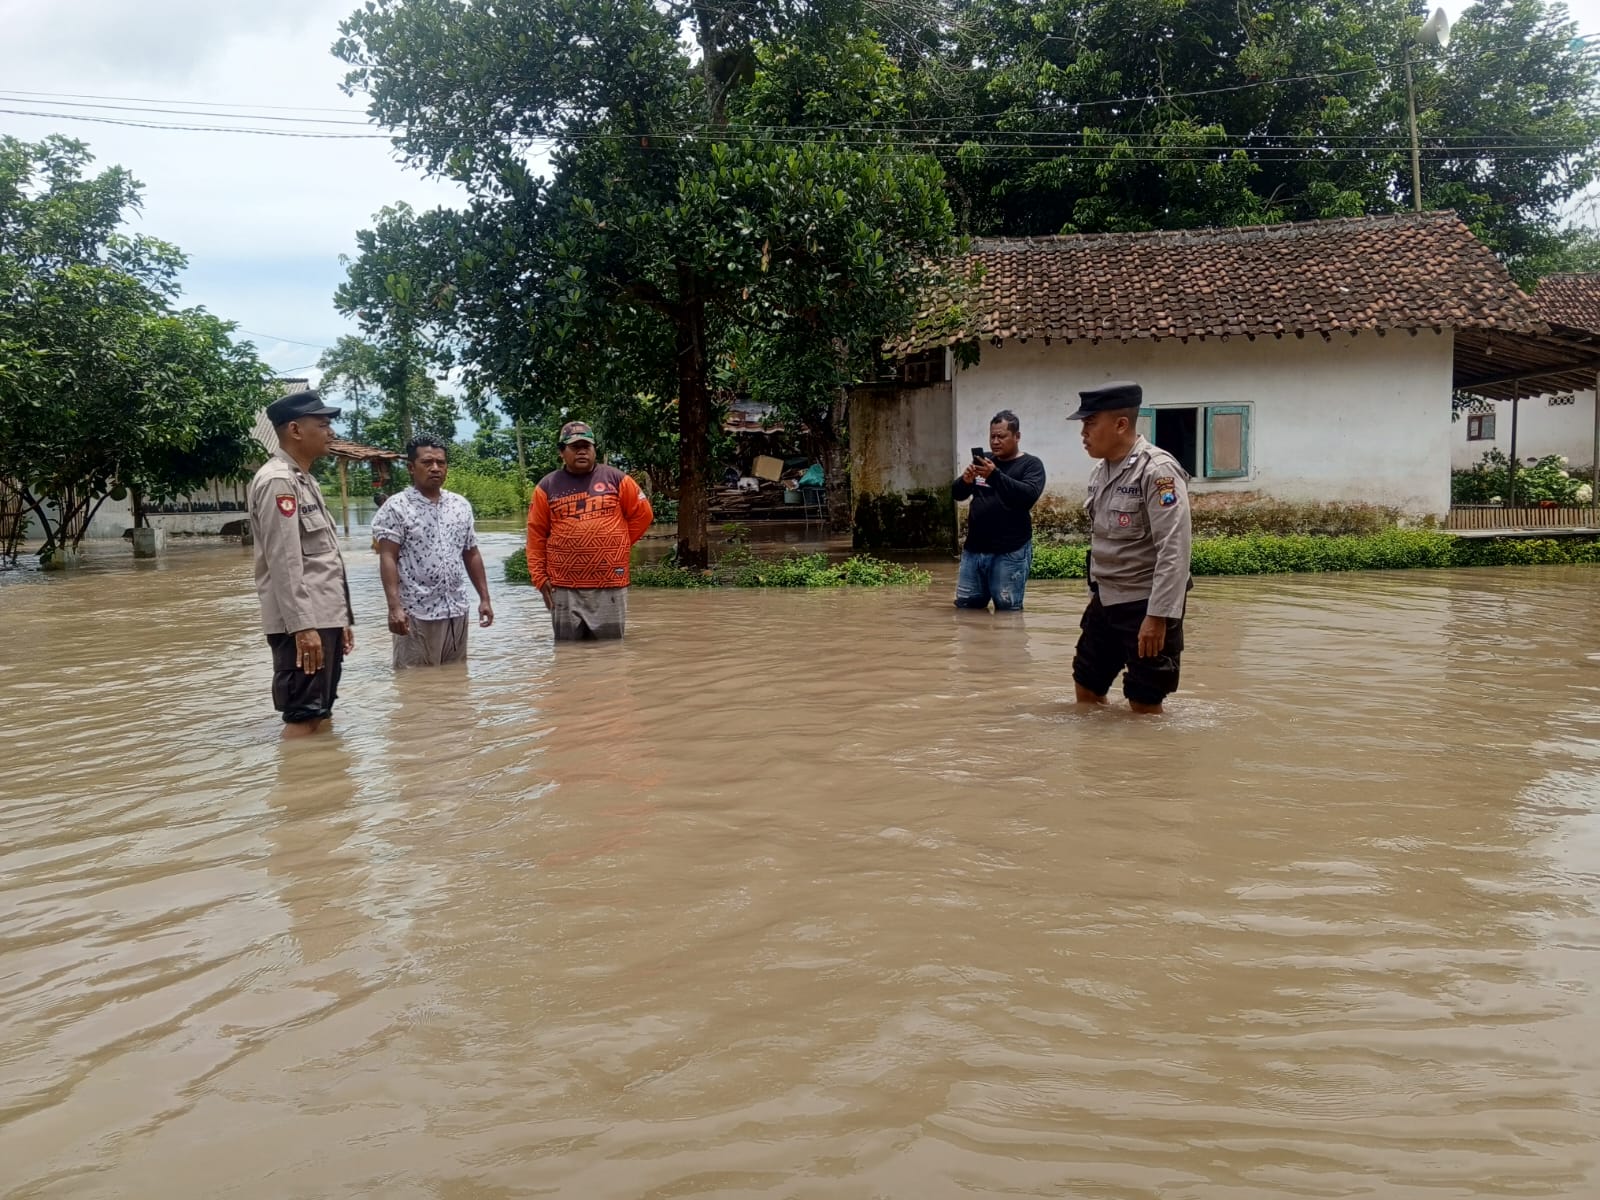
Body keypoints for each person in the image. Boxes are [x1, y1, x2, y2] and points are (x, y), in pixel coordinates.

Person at [1067, 381, 1193, 714]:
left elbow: (1174, 550)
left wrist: (1158, 616)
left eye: (1090, 422)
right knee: (1086, 685)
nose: (1083, 432)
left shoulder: (1158, 472)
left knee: (1144, 702)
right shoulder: (1100, 472)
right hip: (1106, 601)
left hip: (1145, 604)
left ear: (1121, 424)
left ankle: (1146, 765)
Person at [248, 389, 355, 737]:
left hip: (322, 618)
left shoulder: (305, 480)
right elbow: (285, 562)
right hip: (303, 625)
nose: (331, 432)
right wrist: (302, 627)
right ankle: (295, 785)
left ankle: (324, 788)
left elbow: (323, 561)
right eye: (322, 425)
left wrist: (340, 620)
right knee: (303, 717)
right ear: (295, 430)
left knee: (321, 713)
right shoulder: (278, 481)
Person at [371, 435, 494, 669]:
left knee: (456, 680)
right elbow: (388, 557)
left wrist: (485, 598)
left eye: (441, 462)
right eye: (427, 462)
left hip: (456, 609)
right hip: (416, 613)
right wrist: (394, 608)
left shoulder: (460, 506)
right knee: (415, 685)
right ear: (411, 467)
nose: (435, 468)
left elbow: (471, 553)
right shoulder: (396, 507)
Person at [526, 420, 654, 640]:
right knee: (567, 655)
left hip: (610, 583)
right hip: (563, 585)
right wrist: (539, 576)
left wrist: (616, 544)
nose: (582, 451)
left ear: (595, 450)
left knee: (611, 652)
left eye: (587, 446)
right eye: (575, 447)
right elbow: (536, 534)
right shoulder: (546, 486)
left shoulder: (617, 479)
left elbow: (643, 515)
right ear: (561, 452)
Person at [951, 409, 1047, 610]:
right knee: (966, 609)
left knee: (1008, 612)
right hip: (974, 550)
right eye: (992, 436)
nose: (995, 441)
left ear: (1017, 436)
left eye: (1001, 436)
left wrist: (994, 475)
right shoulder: (984, 460)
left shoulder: (1031, 465)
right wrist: (965, 481)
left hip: (1010, 552)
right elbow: (957, 494)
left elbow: (1026, 497)